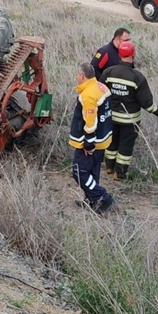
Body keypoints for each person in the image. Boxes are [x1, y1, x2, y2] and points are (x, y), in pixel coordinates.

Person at [101, 40, 158, 180]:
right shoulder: (137, 77)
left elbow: (100, 92)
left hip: (110, 117)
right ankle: (119, 174)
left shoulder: (108, 72)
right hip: (129, 120)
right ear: (133, 54)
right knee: (125, 146)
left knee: (111, 142)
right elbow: (146, 102)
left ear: (119, 54)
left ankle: (109, 167)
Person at [69, 61, 114, 214]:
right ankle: (93, 201)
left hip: (91, 142)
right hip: (103, 139)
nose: (76, 77)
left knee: (79, 171)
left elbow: (90, 121)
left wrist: (88, 144)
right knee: (93, 170)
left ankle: (102, 197)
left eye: (77, 74)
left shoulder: (88, 95)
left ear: (82, 76)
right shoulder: (102, 87)